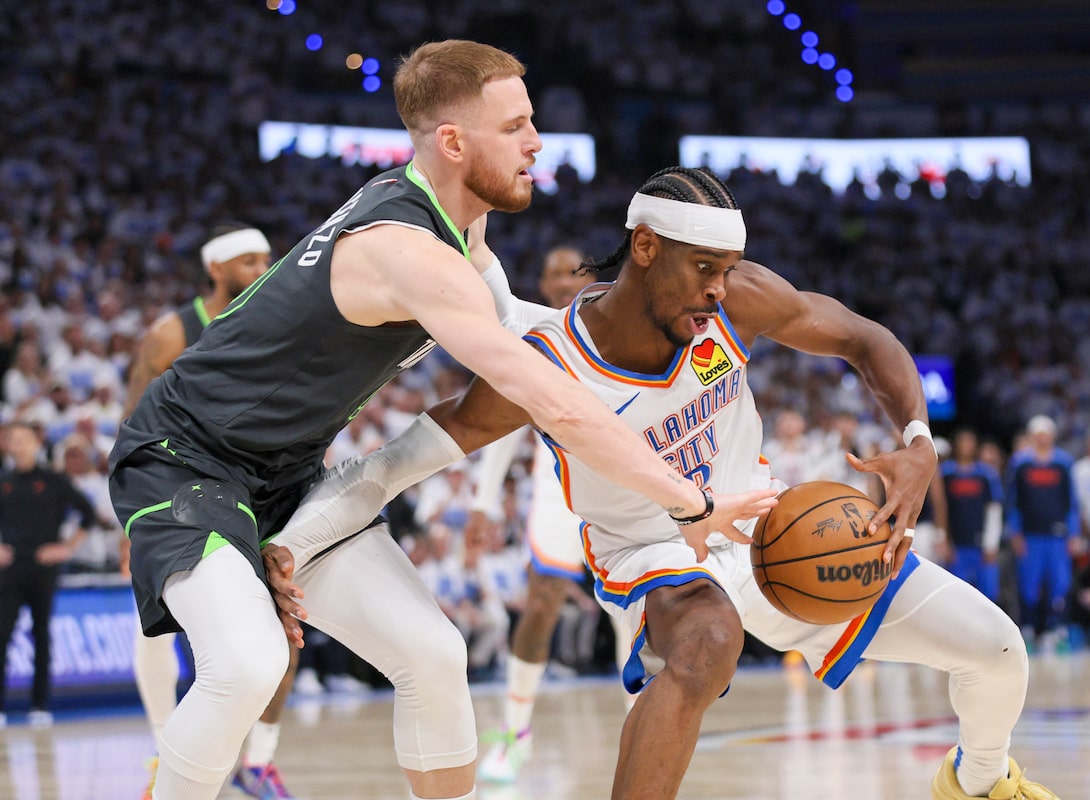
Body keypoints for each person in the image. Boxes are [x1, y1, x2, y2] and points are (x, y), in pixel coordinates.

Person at [266, 166, 1060, 800]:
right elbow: (393, 464)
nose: (719, 287)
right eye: (704, 268)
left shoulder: (734, 303)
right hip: (653, 550)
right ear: (645, 247)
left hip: (767, 529)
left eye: (728, 270)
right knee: (708, 641)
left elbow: (865, 340)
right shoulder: (548, 365)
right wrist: (292, 543)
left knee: (998, 652)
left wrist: (919, 440)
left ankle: (979, 784)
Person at [108, 42, 771, 800]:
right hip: (184, 458)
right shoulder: (408, 252)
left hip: (284, 474)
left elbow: (529, 328)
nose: (537, 142)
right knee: (248, 664)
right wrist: (691, 503)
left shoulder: (459, 227)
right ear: (453, 142)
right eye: (515, 126)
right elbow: (553, 396)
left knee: (434, 654)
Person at [119, 223, 302, 800]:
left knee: (285, 622)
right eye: (248, 261)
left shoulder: (279, 319)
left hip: (258, 485)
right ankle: (164, 748)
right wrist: (128, 516)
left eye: (266, 259)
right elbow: (133, 425)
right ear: (216, 269)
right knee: (158, 625)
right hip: (180, 487)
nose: (262, 270)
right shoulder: (173, 333)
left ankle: (259, 762)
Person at [462, 245, 634, 782]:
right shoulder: (532, 338)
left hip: (621, 487)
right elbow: (503, 424)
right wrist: (484, 502)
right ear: (540, 283)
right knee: (540, 605)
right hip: (558, 488)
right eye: (553, 273)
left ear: (591, 277)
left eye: (572, 272)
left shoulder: (621, 330)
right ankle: (516, 734)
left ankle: (639, 732)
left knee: (632, 614)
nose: (563, 281)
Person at [0, 421, 97, 729]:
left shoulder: (53, 479)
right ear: (7, 445)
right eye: (14, 439)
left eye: (24, 438)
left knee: (41, 634)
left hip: (43, 568)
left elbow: (89, 512)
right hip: (10, 568)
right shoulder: (4, 480)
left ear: (36, 443)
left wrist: (66, 548)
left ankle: (39, 705)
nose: (19, 444)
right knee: (2, 634)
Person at [1005, 415, 1080, 651]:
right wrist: (1015, 532)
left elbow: (1071, 501)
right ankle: (1029, 628)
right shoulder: (1020, 464)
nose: (1042, 439)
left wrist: (1073, 533)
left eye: (1045, 435)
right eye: (1038, 435)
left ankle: (1058, 629)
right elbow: (1013, 501)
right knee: (1029, 584)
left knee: (1060, 583)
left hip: (1057, 536)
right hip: (1030, 535)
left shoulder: (1063, 463)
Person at [942, 428, 1005, 603]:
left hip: (981, 545)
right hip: (956, 545)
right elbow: (941, 509)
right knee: (956, 596)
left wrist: (991, 544)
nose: (966, 446)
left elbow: (994, 510)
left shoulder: (986, 475)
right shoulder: (946, 474)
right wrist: (944, 540)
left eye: (969, 441)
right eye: (962, 441)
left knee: (988, 595)